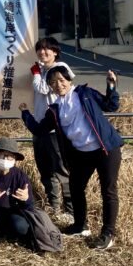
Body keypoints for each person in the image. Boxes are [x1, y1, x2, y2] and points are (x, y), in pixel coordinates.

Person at [19, 66, 122, 250]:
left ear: (69, 80)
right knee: (75, 186)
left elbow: (111, 105)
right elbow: (39, 130)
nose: (58, 85)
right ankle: (80, 226)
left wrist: (111, 86)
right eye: (53, 82)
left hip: (105, 148)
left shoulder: (85, 93)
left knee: (108, 190)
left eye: (61, 80)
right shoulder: (55, 109)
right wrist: (25, 113)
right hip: (82, 153)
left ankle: (108, 233)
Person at [30, 37, 74, 223]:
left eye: (47, 49)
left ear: (55, 52)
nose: (43, 52)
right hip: (40, 127)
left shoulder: (60, 67)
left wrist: (35, 73)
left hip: (56, 129)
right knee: (46, 170)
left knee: (62, 170)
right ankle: (54, 208)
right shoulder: (41, 69)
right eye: (40, 49)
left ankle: (71, 210)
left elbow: (42, 88)